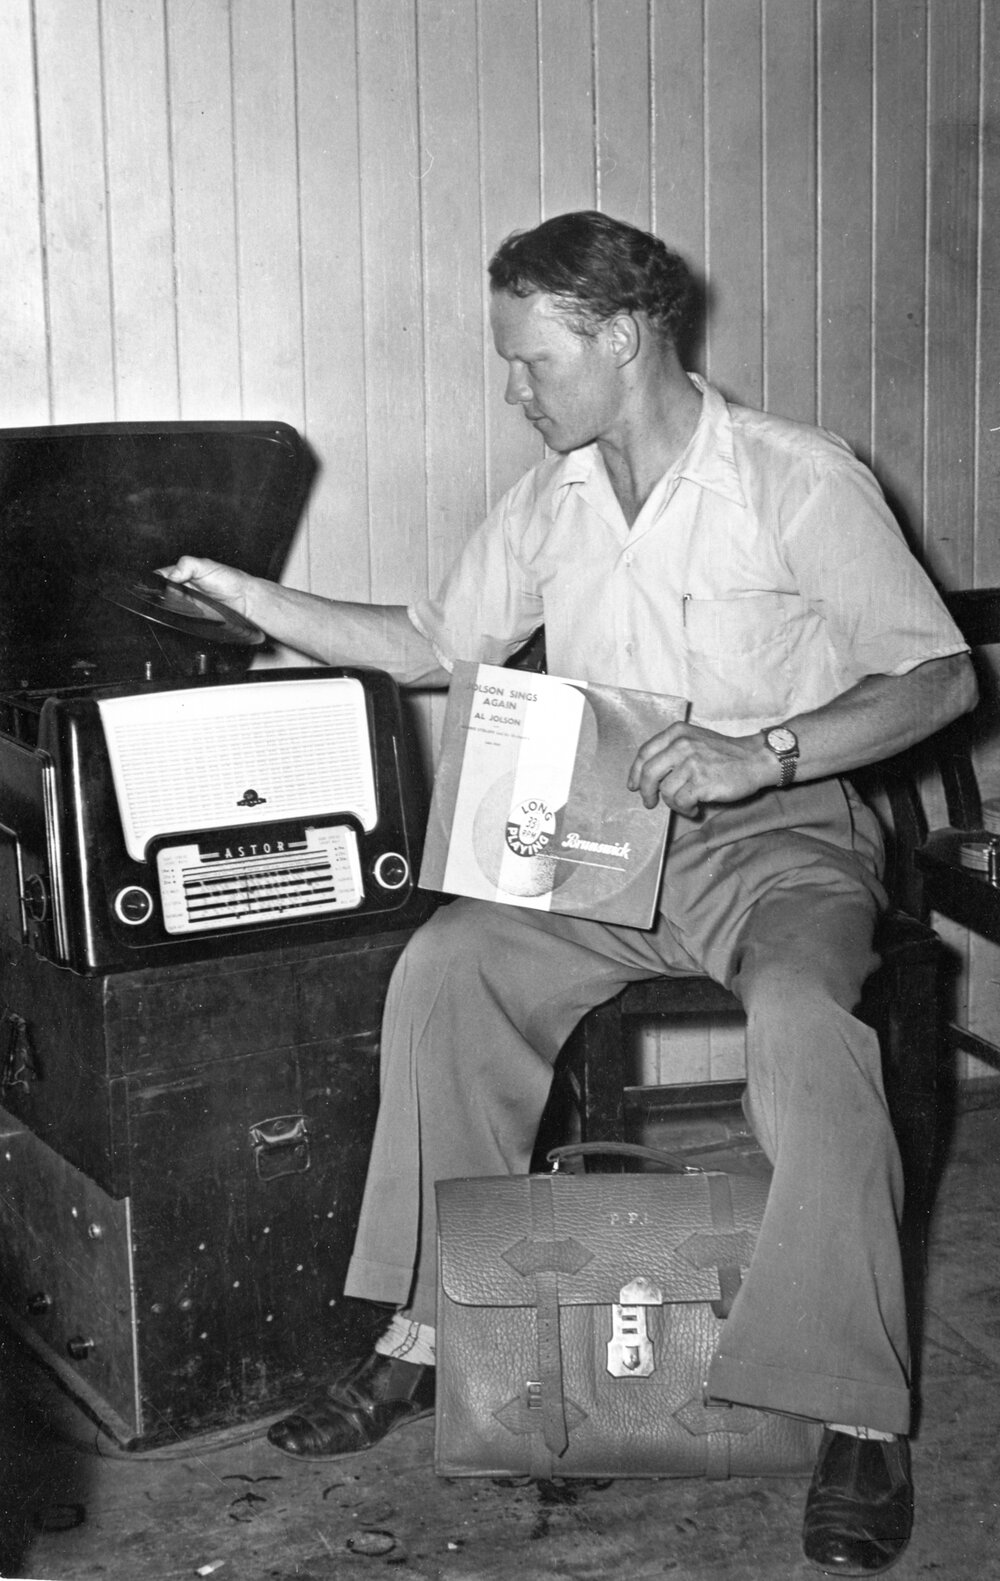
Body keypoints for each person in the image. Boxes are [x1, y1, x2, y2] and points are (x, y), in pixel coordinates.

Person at [163, 211, 975, 1575]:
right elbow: (428, 641)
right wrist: (248, 598)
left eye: (534, 361)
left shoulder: (796, 478)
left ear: (622, 336)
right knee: (448, 966)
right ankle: (423, 1329)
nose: (515, 390)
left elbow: (940, 677)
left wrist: (760, 747)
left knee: (799, 1020)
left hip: (784, 837)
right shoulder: (553, 498)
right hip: (605, 845)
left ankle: (855, 1409)